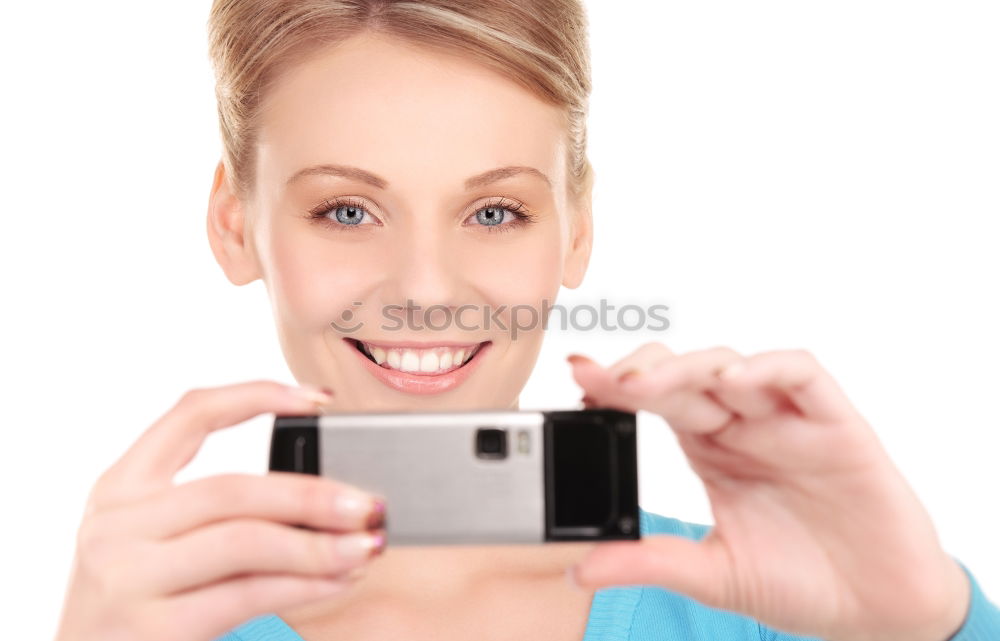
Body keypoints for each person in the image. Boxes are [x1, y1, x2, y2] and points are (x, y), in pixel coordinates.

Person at [52, 1, 999, 640]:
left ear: (576, 229)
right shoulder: (149, 621)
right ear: (232, 224)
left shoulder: (763, 606)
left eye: (494, 212)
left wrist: (933, 617)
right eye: (346, 210)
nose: (426, 287)